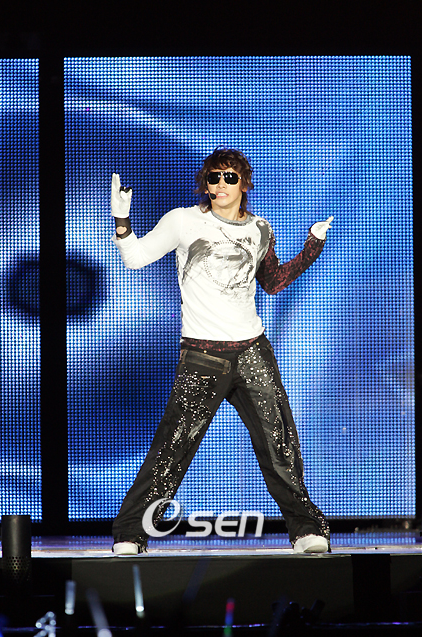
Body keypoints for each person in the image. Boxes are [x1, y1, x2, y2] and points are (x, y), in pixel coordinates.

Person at [110, 148, 333, 555]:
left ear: (244, 183)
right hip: (203, 354)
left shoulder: (260, 229)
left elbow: (273, 282)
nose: (220, 185)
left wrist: (311, 246)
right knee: (174, 446)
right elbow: (136, 259)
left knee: (279, 441)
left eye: (229, 177)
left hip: (252, 350)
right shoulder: (183, 220)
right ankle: (131, 533)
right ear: (206, 184)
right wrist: (122, 222)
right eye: (214, 177)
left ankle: (306, 530)